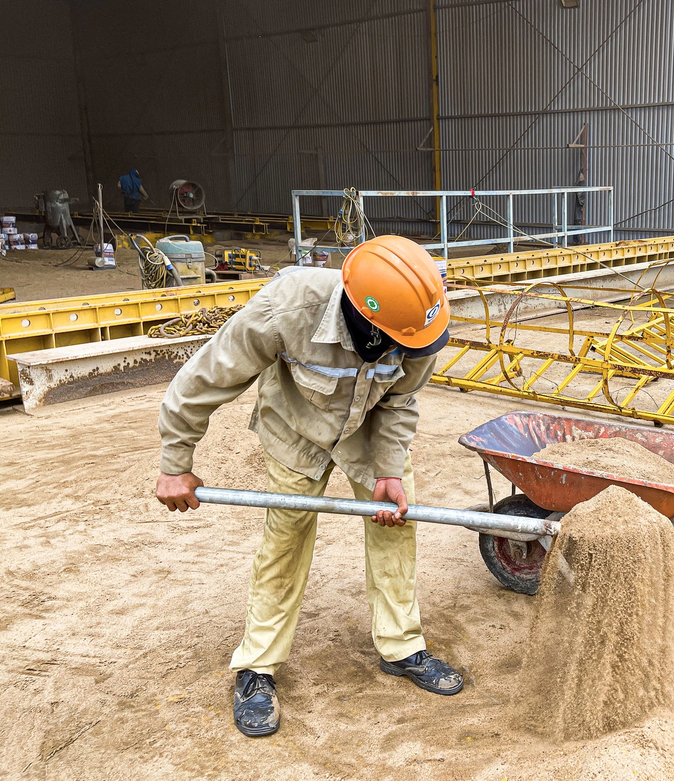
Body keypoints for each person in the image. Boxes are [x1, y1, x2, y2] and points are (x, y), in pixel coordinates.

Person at [155, 235, 462, 737]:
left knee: (395, 526)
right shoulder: (286, 308)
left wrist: (388, 471)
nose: (411, 351)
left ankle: (402, 646)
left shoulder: (419, 325)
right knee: (287, 537)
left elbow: (401, 402)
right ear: (364, 316)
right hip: (297, 429)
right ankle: (257, 667)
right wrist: (175, 463)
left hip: (370, 433)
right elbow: (202, 380)